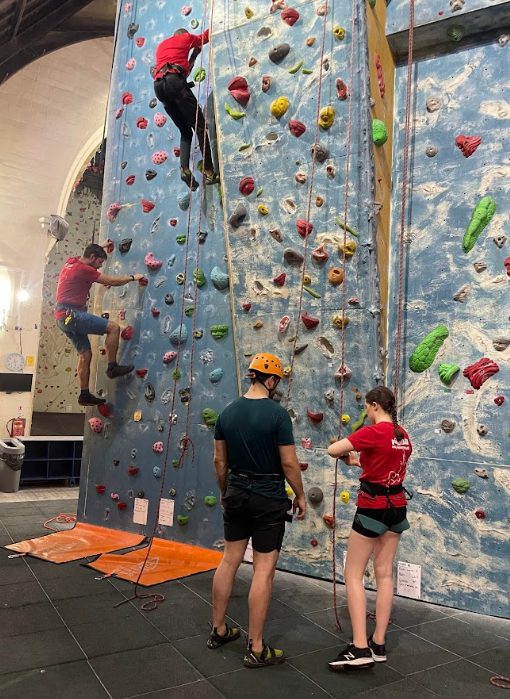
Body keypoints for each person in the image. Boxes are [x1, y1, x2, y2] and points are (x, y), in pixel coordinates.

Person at [209, 352, 306, 668]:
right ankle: (256, 647)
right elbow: (289, 462)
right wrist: (300, 495)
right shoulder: (278, 416)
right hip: (268, 496)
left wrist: (226, 491)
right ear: (272, 380)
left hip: (236, 491)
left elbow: (219, 462)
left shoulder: (226, 413)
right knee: (262, 570)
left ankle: (219, 629)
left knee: (229, 561)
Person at [327, 386, 412, 670]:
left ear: (374, 405)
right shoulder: (403, 436)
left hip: (372, 507)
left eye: (367, 407)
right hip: (397, 507)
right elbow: (382, 462)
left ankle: (360, 648)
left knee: (353, 574)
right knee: (384, 573)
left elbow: (332, 449)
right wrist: (359, 461)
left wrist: (350, 451)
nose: (367, 411)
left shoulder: (372, 432)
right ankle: (378, 643)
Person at [54, 242, 144, 407]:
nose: (100, 266)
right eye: (100, 262)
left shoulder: (71, 262)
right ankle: (112, 367)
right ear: (92, 258)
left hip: (63, 318)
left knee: (85, 355)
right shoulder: (84, 270)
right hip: (72, 315)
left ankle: (84, 394)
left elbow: (88, 250)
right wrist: (133, 277)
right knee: (113, 328)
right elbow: (111, 281)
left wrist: (101, 246)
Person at [154, 28, 219, 190]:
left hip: (160, 87)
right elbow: (205, 37)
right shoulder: (186, 38)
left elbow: (183, 71)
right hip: (175, 83)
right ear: (183, 35)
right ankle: (210, 172)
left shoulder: (162, 47)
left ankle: (184, 169)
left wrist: (195, 55)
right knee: (200, 126)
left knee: (185, 131)